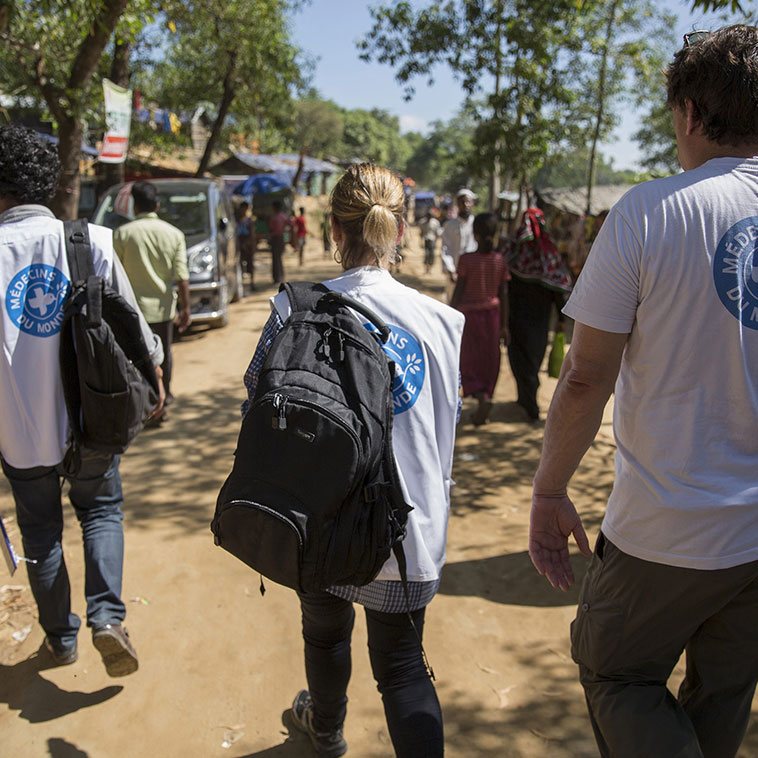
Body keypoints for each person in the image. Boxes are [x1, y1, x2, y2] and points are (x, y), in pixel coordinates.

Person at [528, 25, 758, 758]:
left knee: (615, 674)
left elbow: (586, 375)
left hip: (663, 528)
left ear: (690, 113)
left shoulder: (652, 211)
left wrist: (548, 489)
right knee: (723, 694)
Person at [242, 164, 464, 758]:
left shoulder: (294, 308)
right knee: (402, 665)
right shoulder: (444, 322)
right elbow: (446, 423)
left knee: (324, 632)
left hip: (320, 516)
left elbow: (257, 394)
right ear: (402, 227)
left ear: (333, 232)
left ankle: (327, 729)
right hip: (406, 525)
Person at [0, 125, 164, 676]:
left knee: (41, 531)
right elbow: (131, 324)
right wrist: (154, 372)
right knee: (100, 509)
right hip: (92, 415)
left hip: (17, 431)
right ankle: (107, 619)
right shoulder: (89, 241)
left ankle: (61, 639)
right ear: (46, 184)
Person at [113, 181, 190, 422]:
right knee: (163, 353)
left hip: (131, 311)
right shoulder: (174, 234)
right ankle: (164, 398)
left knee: (135, 357)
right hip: (163, 309)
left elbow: (115, 275)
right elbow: (183, 277)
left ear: (135, 206)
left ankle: (143, 403)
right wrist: (186, 308)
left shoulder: (122, 234)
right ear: (157, 205)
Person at [505, 207, 572, 421]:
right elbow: (558, 290)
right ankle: (527, 399)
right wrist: (560, 320)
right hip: (539, 320)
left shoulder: (513, 252)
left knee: (520, 358)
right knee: (533, 360)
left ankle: (528, 400)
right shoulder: (549, 255)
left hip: (517, 316)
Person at [450, 212, 510, 426]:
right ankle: (487, 394)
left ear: (474, 235)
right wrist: (504, 325)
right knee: (489, 358)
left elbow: (459, 290)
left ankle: (478, 395)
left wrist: (449, 314)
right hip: (492, 317)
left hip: (469, 317)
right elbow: (504, 294)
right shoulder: (500, 260)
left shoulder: (467, 260)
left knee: (469, 359)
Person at [440, 188, 477, 297]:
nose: (465, 204)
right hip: (455, 273)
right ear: (457, 204)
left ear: (472, 203)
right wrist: (451, 270)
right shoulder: (449, 225)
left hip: (473, 273)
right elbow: (446, 249)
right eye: (462, 202)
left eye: (468, 201)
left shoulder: (476, 224)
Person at [268, 200, 291, 283]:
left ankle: (277, 277)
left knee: (275, 258)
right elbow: (291, 225)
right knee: (279, 258)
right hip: (281, 239)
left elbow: (271, 229)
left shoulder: (274, 217)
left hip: (275, 239)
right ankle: (280, 276)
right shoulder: (284, 216)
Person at [235, 200, 255, 287]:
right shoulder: (236, 220)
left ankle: (252, 283)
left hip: (248, 244)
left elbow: (252, 234)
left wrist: (252, 245)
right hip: (239, 243)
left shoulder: (249, 221)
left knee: (250, 264)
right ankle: (241, 284)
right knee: (240, 264)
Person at [420, 208, 441, 274]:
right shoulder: (423, 222)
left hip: (432, 240)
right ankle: (426, 268)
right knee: (426, 254)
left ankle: (430, 268)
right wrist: (420, 241)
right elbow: (421, 232)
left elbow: (437, 233)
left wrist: (436, 242)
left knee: (431, 254)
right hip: (426, 240)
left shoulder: (435, 223)